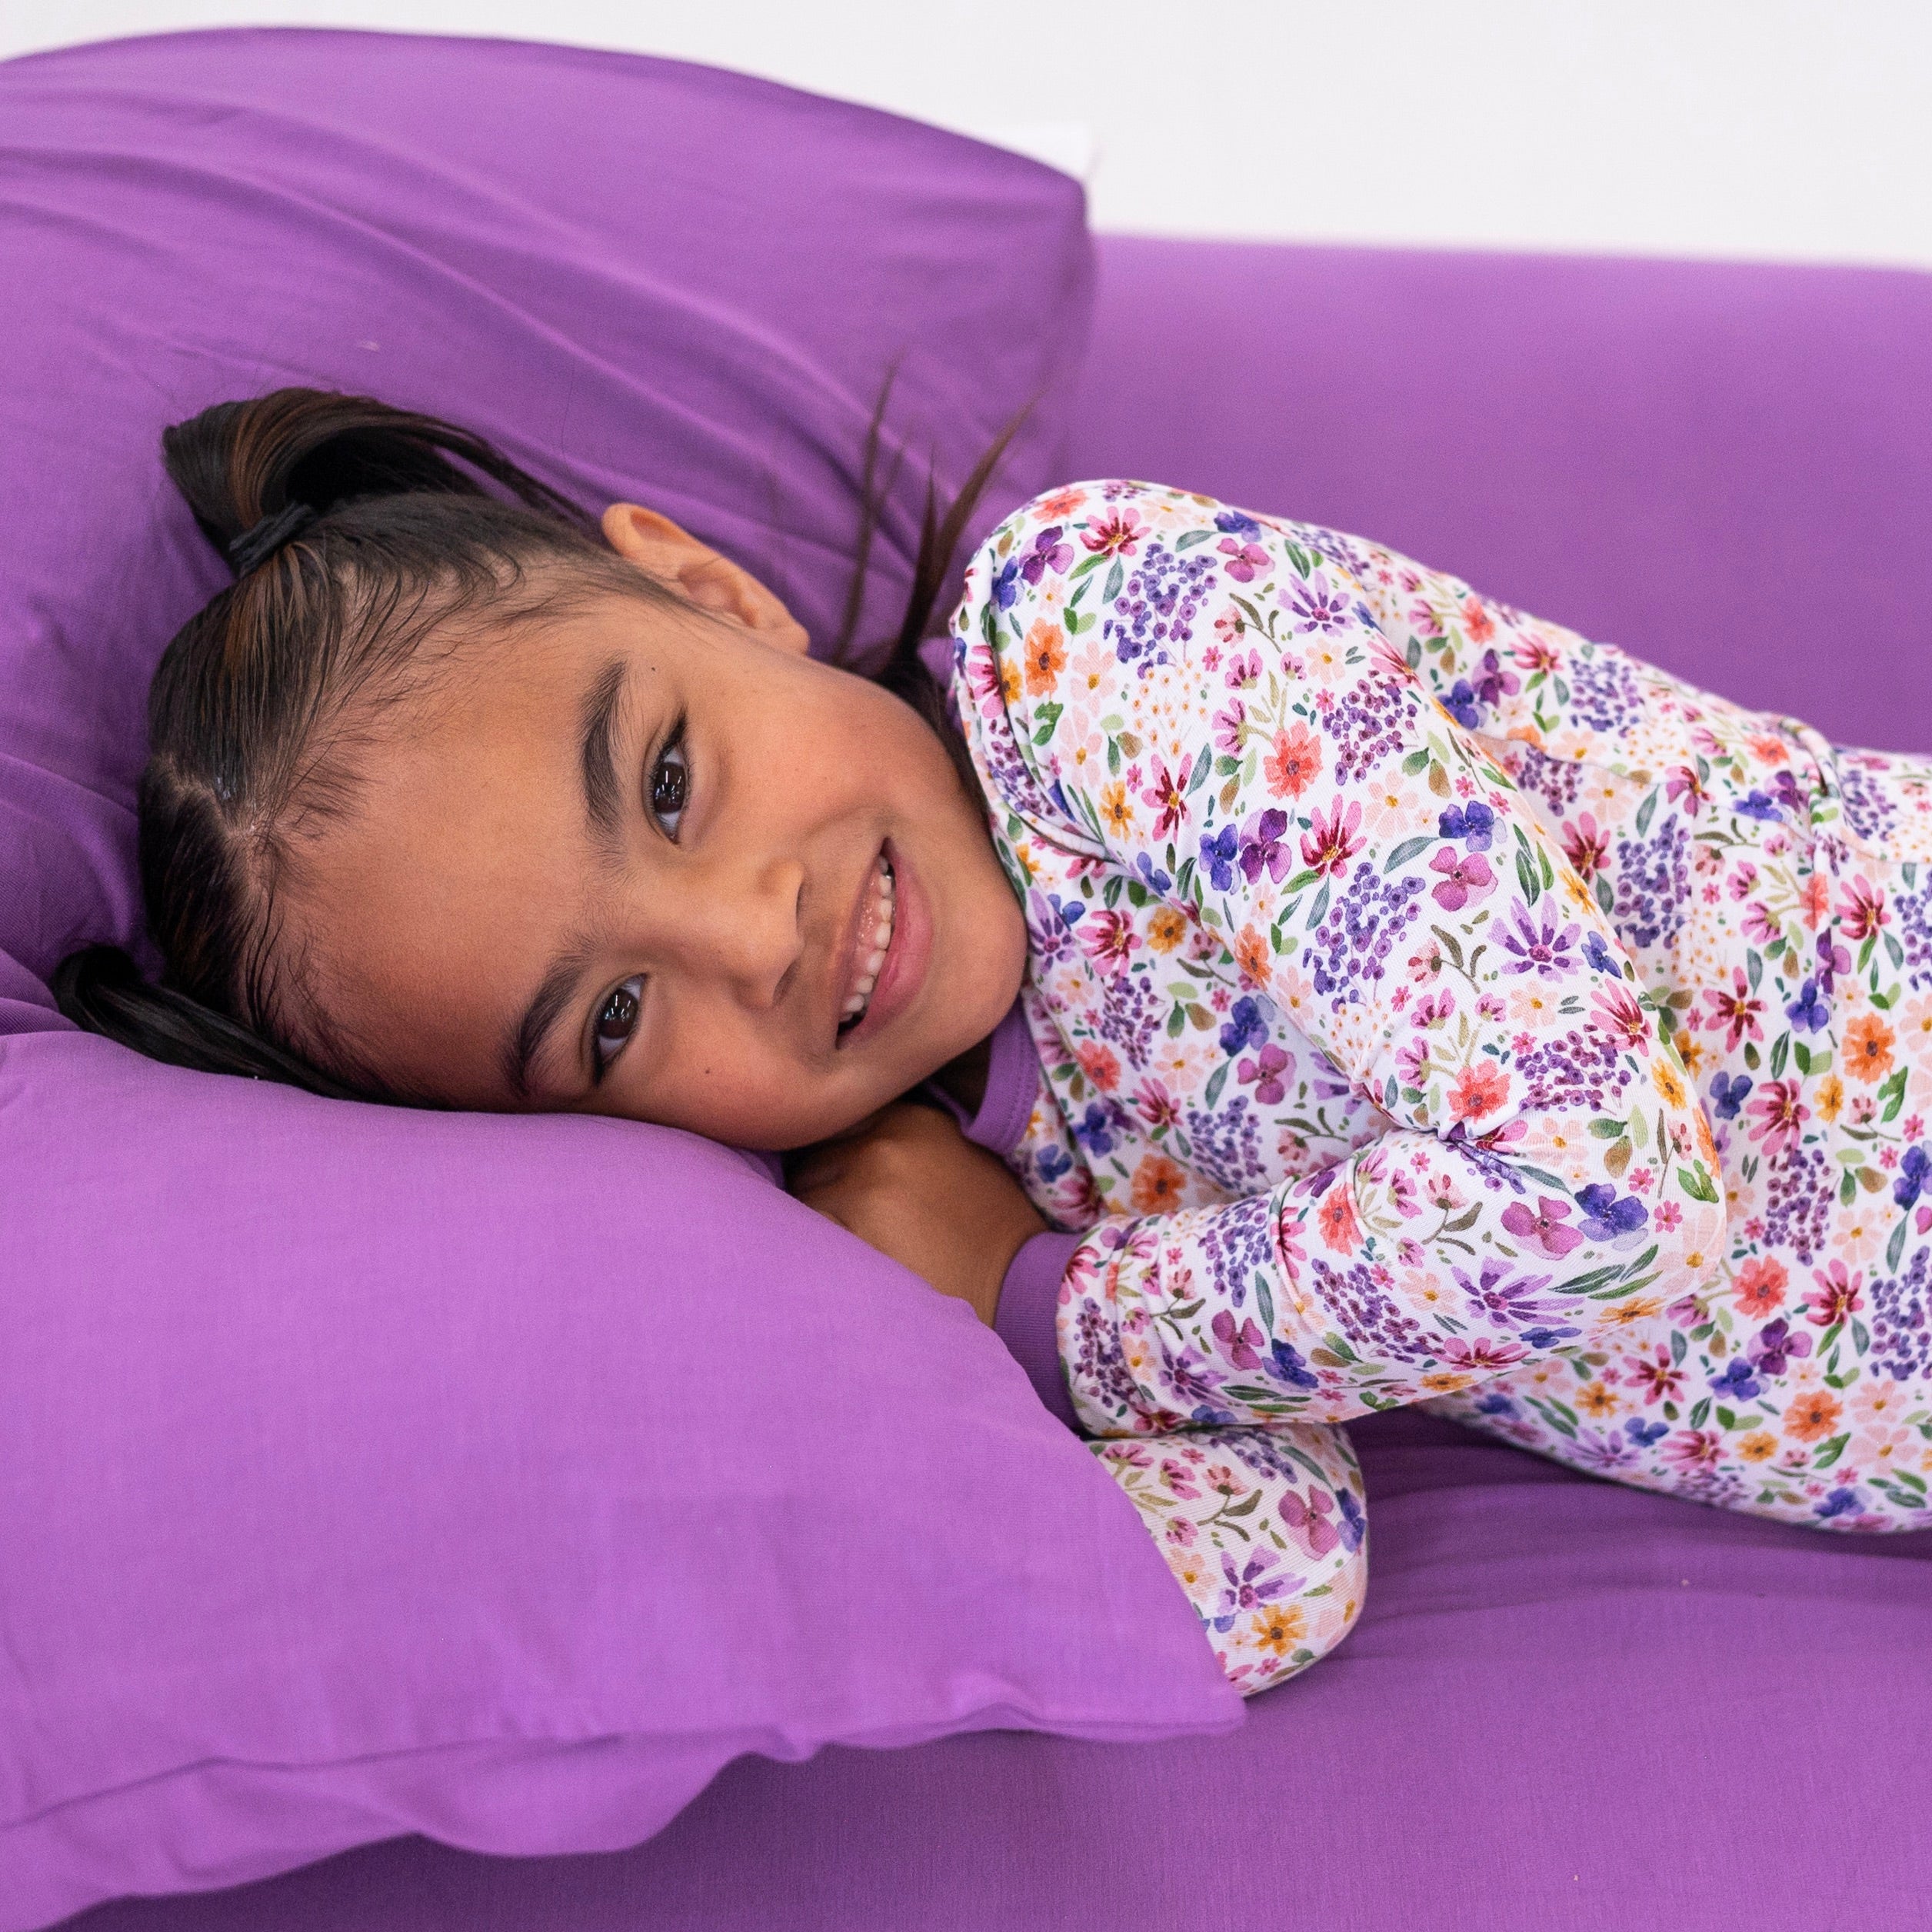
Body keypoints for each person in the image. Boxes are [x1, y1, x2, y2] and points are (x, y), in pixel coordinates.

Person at [59, 390, 1932, 1698]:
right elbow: (1274, 1576)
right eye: (615, 1019)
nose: (751, 932)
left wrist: (1052, 1307)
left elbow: (1600, 1196)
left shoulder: (1103, 638)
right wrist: (923, 1335)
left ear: (713, 592)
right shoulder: (990, 1170)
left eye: (669, 775)